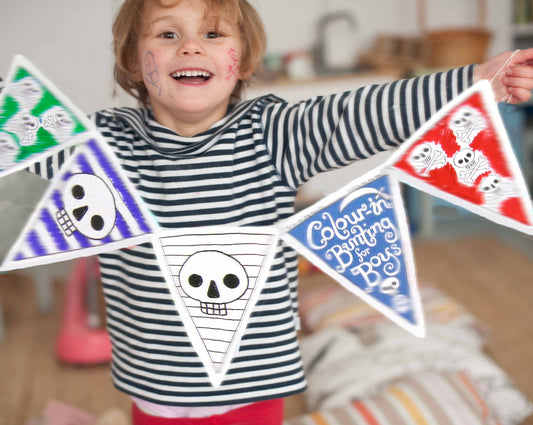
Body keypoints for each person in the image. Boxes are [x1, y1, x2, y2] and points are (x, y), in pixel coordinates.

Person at [12, 0, 533, 424]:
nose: (191, 45)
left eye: (214, 35)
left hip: (255, 385)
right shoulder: (106, 142)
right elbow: (17, 120)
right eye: (167, 35)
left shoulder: (273, 133)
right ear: (132, 60)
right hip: (153, 386)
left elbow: (362, 112)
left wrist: (472, 83)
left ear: (242, 57)